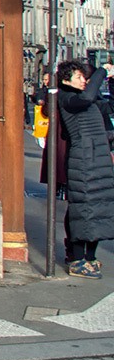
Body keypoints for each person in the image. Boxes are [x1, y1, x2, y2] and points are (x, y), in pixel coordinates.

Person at [57, 59, 114, 278]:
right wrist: (101, 71)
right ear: (66, 80)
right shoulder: (67, 98)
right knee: (83, 209)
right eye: (79, 77)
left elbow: (110, 106)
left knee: (99, 207)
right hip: (84, 161)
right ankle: (77, 258)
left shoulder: (85, 100)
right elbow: (87, 96)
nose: (84, 81)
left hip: (97, 159)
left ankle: (90, 258)